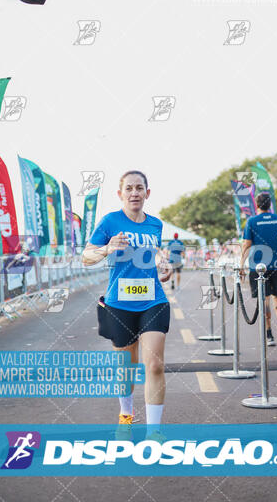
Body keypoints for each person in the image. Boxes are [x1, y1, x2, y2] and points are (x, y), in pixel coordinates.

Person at [82, 170, 172, 439]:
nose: (135, 192)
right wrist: (107, 249)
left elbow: (155, 256)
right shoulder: (110, 221)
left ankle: (153, 431)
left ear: (147, 193)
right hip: (119, 304)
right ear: (120, 194)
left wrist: (163, 267)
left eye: (139, 188)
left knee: (154, 364)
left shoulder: (155, 225)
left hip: (152, 300)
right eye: (129, 188)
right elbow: (86, 257)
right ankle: (126, 416)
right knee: (126, 368)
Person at [239, 192, 277, 346]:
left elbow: (247, 245)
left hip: (258, 266)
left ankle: (269, 334)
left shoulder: (252, 221)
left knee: (264, 298)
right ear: (270, 204)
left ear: (257, 205)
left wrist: (241, 265)